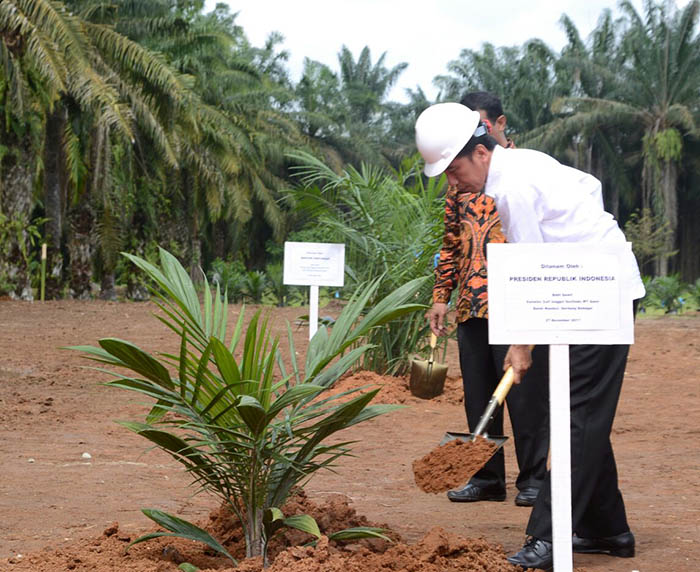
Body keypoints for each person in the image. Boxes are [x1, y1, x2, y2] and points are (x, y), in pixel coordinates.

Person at [415, 102, 644, 571]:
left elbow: (533, 272)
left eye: (454, 170)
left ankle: (548, 537)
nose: (452, 182)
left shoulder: (512, 186)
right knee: (579, 410)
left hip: (596, 294)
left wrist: (521, 344)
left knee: (575, 414)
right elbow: (590, 187)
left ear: (480, 152)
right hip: (584, 284)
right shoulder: (519, 167)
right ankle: (607, 529)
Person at [427, 91, 549, 508]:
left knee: (524, 394)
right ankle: (486, 478)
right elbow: (448, 242)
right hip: (471, 302)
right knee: (479, 394)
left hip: (515, 301)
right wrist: (441, 295)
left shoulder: (519, 172)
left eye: (478, 125)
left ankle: (533, 479)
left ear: (498, 124)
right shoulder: (457, 179)